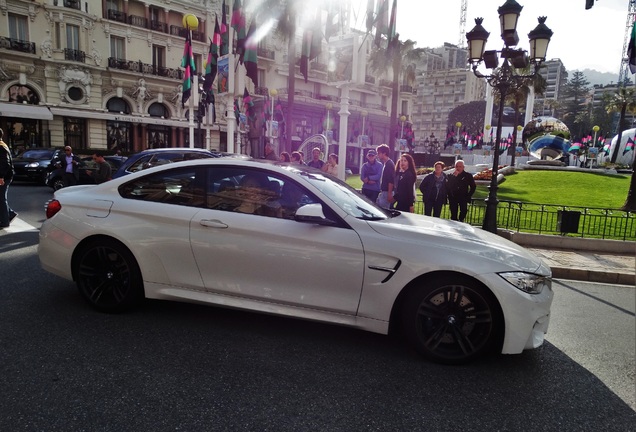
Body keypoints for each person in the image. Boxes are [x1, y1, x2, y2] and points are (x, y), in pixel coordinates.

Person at [0, 128, 17, 228]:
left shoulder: (1, 146)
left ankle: (5, 222)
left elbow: (4, 163)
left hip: (4, 176)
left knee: (1, 199)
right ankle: (10, 214)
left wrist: (1, 176)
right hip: (4, 175)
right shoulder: (2, 145)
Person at [376, 144, 395, 209]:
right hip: (384, 192)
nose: (377, 155)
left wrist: (389, 194)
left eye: (379, 153)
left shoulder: (389, 164)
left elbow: (391, 180)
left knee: (384, 211)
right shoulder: (386, 163)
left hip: (386, 192)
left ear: (384, 153)